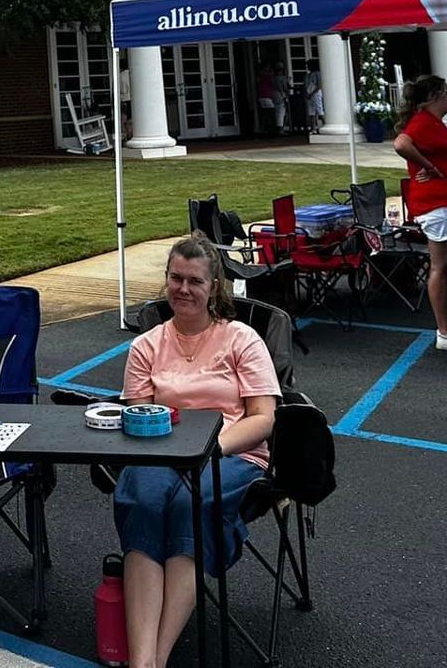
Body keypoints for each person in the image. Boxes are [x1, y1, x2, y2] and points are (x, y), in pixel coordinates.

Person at [115, 235, 279, 668]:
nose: (183, 289)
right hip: (160, 454)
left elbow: (263, 419)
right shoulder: (145, 346)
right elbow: (139, 418)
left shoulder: (241, 338)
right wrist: (176, 451)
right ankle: (142, 661)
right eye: (175, 278)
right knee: (145, 500)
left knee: (192, 501)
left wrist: (209, 449)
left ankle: (158, 657)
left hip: (231, 452)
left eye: (194, 281)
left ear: (214, 287)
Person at [393, 74, 447, 351]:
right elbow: (402, 144)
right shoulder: (423, 122)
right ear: (433, 96)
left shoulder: (433, 123)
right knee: (441, 267)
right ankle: (445, 331)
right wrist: (427, 166)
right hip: (438, 204)